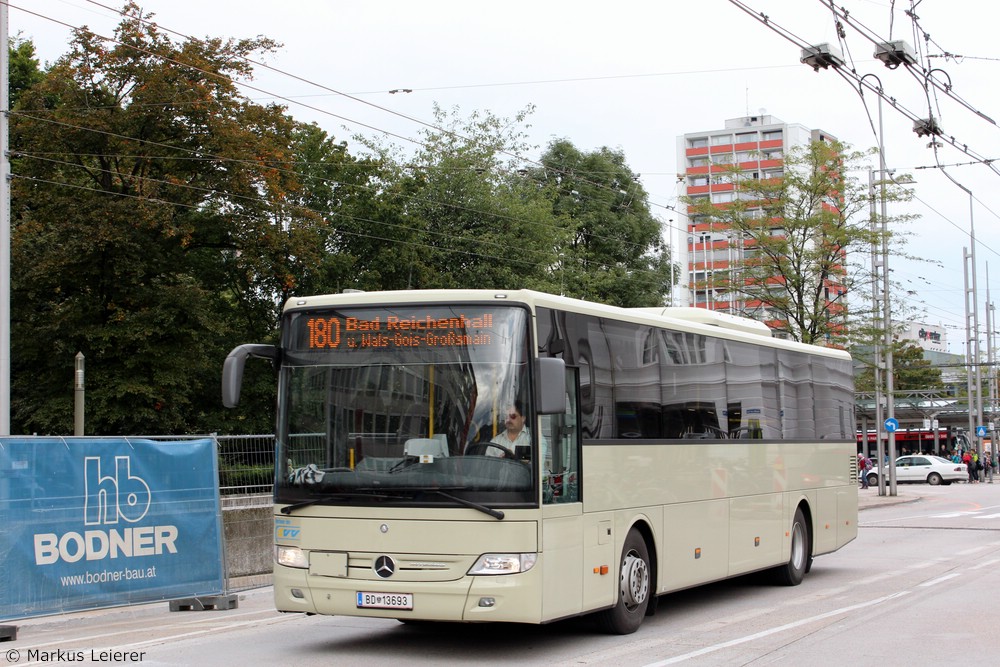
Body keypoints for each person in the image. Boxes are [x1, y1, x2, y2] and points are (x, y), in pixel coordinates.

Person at [489, 400, 549, 468]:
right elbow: (488, 469)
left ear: (523, 418)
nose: (508, 420)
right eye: (506, 416)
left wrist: (519, 462)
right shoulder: (495, 442)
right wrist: (499, 462)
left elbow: (538, 469)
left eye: (513, 416)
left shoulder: (536, 439)